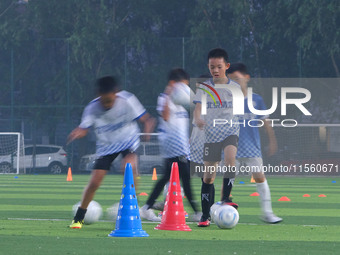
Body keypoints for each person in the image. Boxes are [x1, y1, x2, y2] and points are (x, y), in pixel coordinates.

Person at [68, 76, 155, 229]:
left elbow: (147, 119)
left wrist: (147, 131)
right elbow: (84, 127)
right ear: (98, 95)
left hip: (128, 142)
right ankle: (79, 217)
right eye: (103, 100)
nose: (107, 104)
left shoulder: (128, 100)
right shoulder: (92, 108)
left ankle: (131, 209)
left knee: (128, 169)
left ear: (116, 93)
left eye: (110, 100)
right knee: (95, 182)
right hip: (106, 146)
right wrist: (80, 132)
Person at [140, 68, 201, 222]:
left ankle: (147, 207)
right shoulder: (163, 98)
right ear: (173, 83)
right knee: (185, 178)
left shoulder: (182, 102)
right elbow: (166, 117)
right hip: (173, 147)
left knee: (167, 178)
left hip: (182, 146)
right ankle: (196, 212)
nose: (184, 89)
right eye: (182, 85)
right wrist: (169, 92)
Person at [227, 63, 282, 223]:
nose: (235, 83)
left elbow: (266, 122)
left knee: (260, 177)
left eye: (237, 78)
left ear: (247, 78)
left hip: (253, 148)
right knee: (228, 181)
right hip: (232, 148)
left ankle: (267, 213)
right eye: (231, 80)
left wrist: (272, 141)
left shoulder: (257, 100)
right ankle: (224, 209)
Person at [193, 48, 240, 227]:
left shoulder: (234, 88)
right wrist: (198, 118)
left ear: (226, 66)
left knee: (230, 158)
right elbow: (198, 107)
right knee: (209, 177)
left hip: (230, 132)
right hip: (210, 134)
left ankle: (226, 197)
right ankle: (206, 215)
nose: (215, 70)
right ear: (208, 66)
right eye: (212, 67)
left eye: (219, 67)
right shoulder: (205, 87)